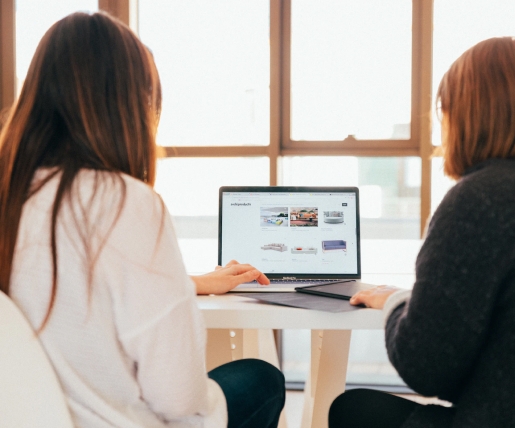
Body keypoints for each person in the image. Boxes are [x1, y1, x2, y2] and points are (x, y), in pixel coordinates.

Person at [0, 12, 284, 428]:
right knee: (262, 379)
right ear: (130, 106)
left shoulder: (11, 194)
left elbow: (67, 297)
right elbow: (178, 397)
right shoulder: (125, 203)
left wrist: (191, 284)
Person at [329, 36, 515, 428]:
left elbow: (426, 369)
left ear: (466, 115)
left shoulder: (479, 200)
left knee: (351, 410)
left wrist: (397, 302)